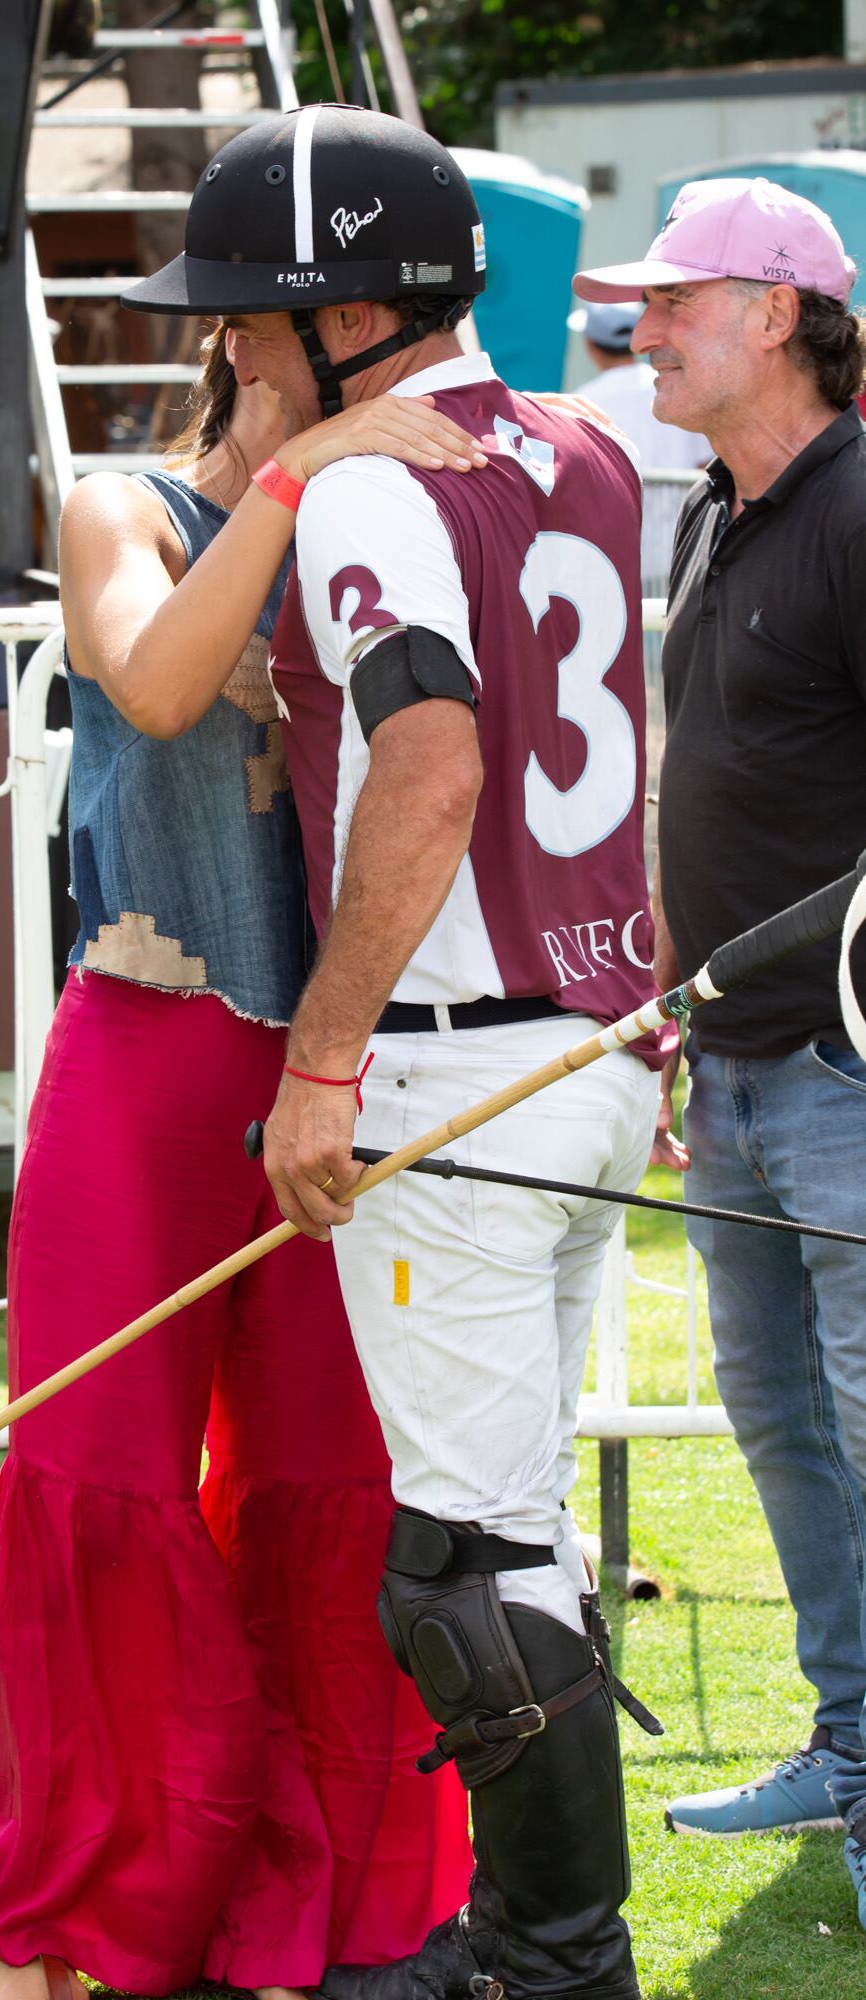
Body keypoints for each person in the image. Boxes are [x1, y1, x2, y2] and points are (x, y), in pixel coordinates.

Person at [127, 103, 665, 2000]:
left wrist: (322, 1060)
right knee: (511, 1520)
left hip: (455, 1064)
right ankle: (540, 1939)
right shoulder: (587, 444)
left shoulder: (368, 488)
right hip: (592, 1038)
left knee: (462, 1561)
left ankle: (548, 1958)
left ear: (349, 314)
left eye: (253, 318)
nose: (233, 351)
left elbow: (429, 764)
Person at [0, 326, 483, 1998]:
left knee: (330, 1482)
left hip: (346, 1062)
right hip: (150, 1047)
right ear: (250, 349)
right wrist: (287, 473)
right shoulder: (123, 504)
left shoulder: (388, 533)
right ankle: (83, 1909)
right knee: (100, 1465)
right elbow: (159, 681)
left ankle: (318, 1893)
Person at [574, 175, 866, 1928]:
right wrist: (674, 996)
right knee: (786, 1435)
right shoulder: (711, 512)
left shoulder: (855, 507)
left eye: (673, 301)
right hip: (740, 1069)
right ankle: (847, 1746)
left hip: (843, 1072)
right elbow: (720, 796)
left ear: (773, 316)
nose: (640, 327)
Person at [569, 299, 710, 582]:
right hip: (684, 547)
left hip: (614, 556)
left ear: (591, 345)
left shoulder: (579, 403)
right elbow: (706, 462)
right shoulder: (678, 388)